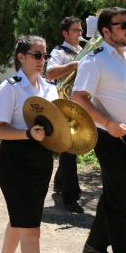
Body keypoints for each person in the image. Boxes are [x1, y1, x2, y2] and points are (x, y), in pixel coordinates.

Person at [71, 7, 126, 253]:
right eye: (122, 25)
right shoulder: (94, 60)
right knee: (119, 202)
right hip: (111, 137)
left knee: (116, 195)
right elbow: (78, 97)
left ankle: (94, 247)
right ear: (106, 31)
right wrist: (108, 122)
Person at [0, 35, 57, 253]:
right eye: (36, 55)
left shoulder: (50, 88)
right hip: (15, 163)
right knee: (31, 231)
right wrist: (27, 134)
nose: (42, 60)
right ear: (21, 57)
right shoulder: (9, 88)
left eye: (45, 55)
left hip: (42, 162)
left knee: (20, 219)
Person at [45, 16, 84, 214]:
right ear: (65, 34)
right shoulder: (59, 52)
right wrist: (74, 65)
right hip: (64, 107)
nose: (80, 33)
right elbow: (50, 73)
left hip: (81, 106)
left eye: (80, 30)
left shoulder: (85, 52)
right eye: (76, 30)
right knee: (70, 150)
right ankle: (71, 196)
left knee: (71, 150)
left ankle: (60, 183)